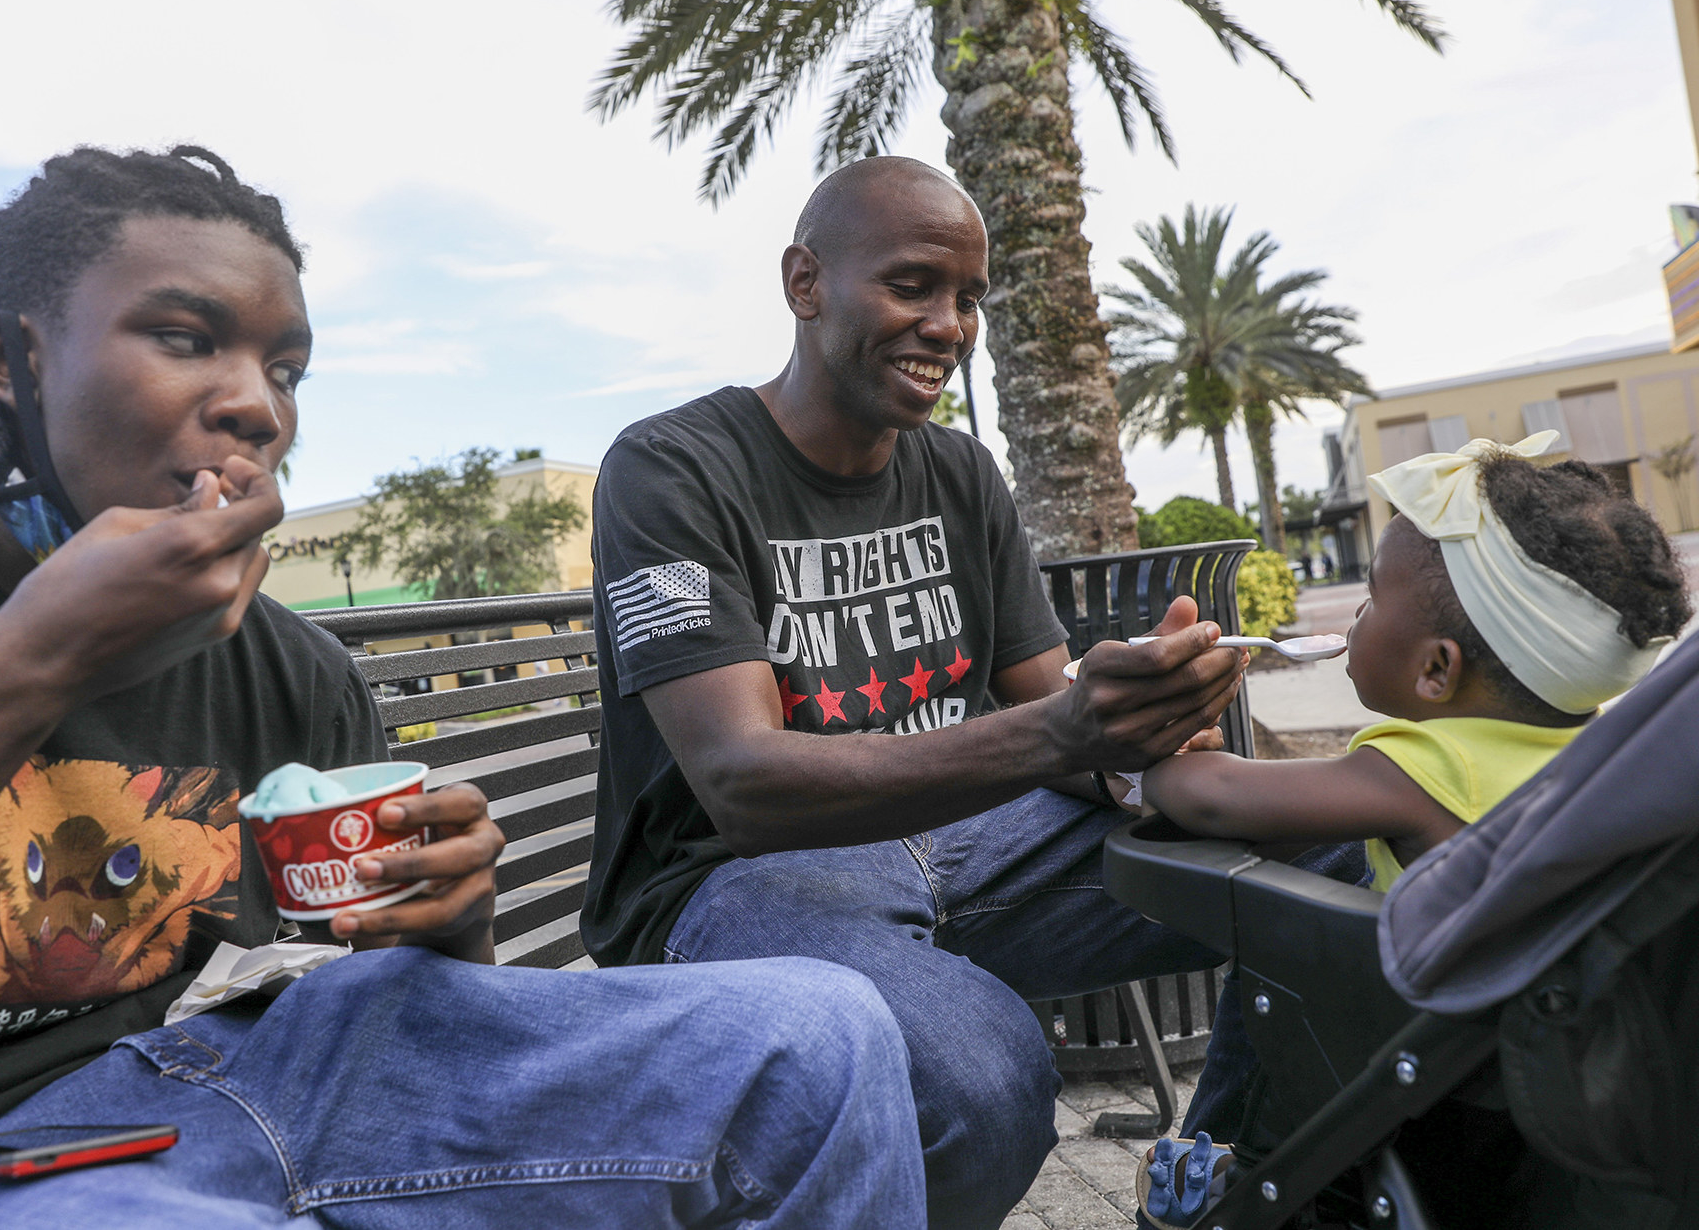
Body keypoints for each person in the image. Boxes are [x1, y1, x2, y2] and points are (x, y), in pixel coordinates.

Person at [0, 147, 925, 1230]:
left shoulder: (287, 664)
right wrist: (29, 661)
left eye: (283, 366)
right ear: (5, 356)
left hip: (235, 1075)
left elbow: (414, 1002)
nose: (255, 404)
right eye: (185, 338)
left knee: (819, 1034)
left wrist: (449, 914)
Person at [581, 155, 1363, 1229]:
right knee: (984, 1084)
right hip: (729, 885)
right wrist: (1064, 730)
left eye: (969, 299)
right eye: (911, 286)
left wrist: (1148, 736)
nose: (948, 326)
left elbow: (1060, 713)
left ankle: (1206, 1189)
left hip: (962, 844)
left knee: (1337, 859)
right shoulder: (672, 468)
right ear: (805, 283)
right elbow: (740, 786)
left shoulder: (956, 471)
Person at [1143, 433, 1692, 891]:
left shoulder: (1425, 769)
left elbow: (1217, 801)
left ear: (1436, 670)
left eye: (1374, 594)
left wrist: (1154, 748)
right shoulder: (1595, 749)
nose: (1359, 609)